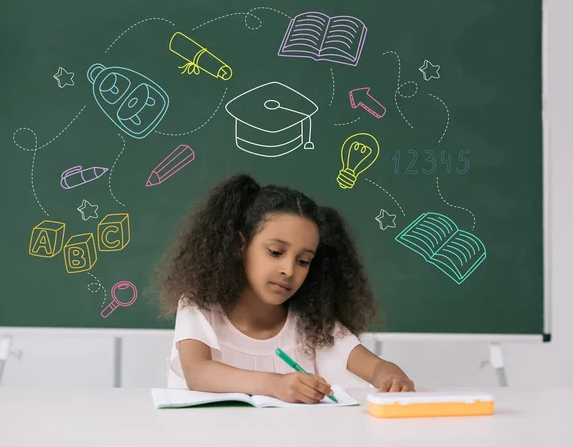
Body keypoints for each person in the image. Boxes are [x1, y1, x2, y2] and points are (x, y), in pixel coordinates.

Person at [156, 173, 414, 404]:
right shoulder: (199, 304)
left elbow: (373, 366)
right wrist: (275, 384)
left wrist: (388, 373)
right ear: (239, 245)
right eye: (275, 252)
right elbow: (198, 373)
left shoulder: (313, 324)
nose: (289, 270)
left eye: (303, 261)